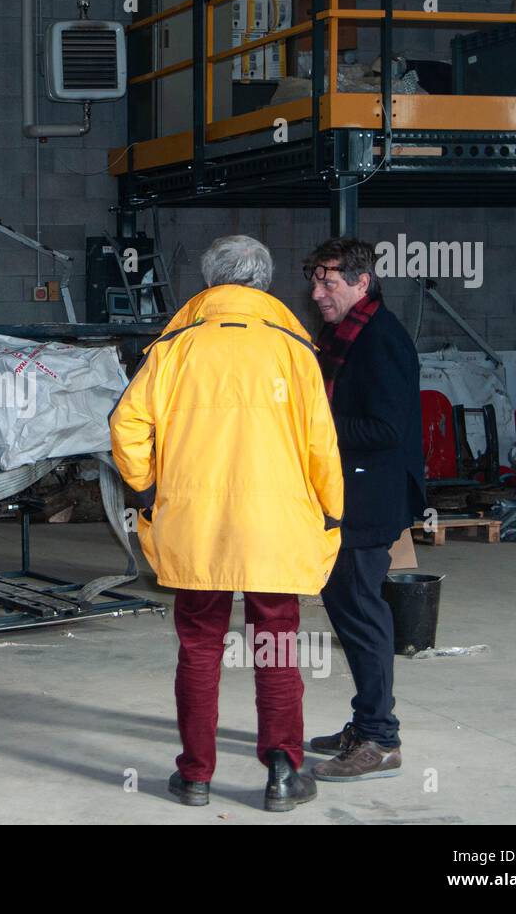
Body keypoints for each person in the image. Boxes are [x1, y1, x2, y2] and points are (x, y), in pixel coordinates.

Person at [111, 235, 344, 812]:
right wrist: (332, 509)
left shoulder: (175, 347)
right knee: (276, 644)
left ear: (210, 282)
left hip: (197, 523)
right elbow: (321, 442)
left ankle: (194, 775)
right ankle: (284, 773)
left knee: (199, 645)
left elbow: (126, 425)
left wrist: (146, 490)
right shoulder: (293, 348)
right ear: (262, 284)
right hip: (276, 525)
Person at [303, 238, 426, 782]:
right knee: (349, 609)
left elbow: (385, 429)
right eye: (315, 280)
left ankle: (380, 739)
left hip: (369, 499)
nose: (317, 292)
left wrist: (312, 430)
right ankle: (367, 720)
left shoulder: (381, 340)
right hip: (349, 494)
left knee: (361, 611)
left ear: (361, 282)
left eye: (329, 282)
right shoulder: (343, 336)